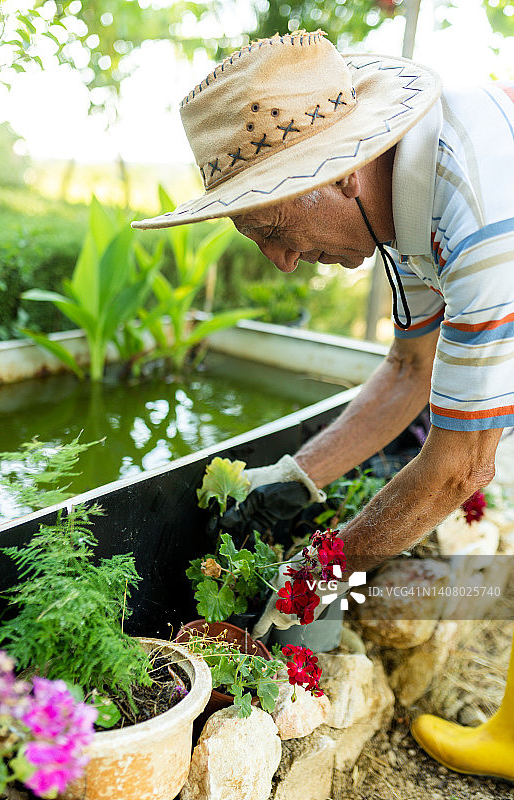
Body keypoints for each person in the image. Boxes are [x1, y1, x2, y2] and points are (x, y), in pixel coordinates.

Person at [133, 30, 514, 780]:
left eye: (273, 228)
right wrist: (294, 475)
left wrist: (320, 571)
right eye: (254, 237)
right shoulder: (401, 192)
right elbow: (409, 369)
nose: (278, 258)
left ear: (341, 175)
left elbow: (457, 469)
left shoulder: (472, 199)